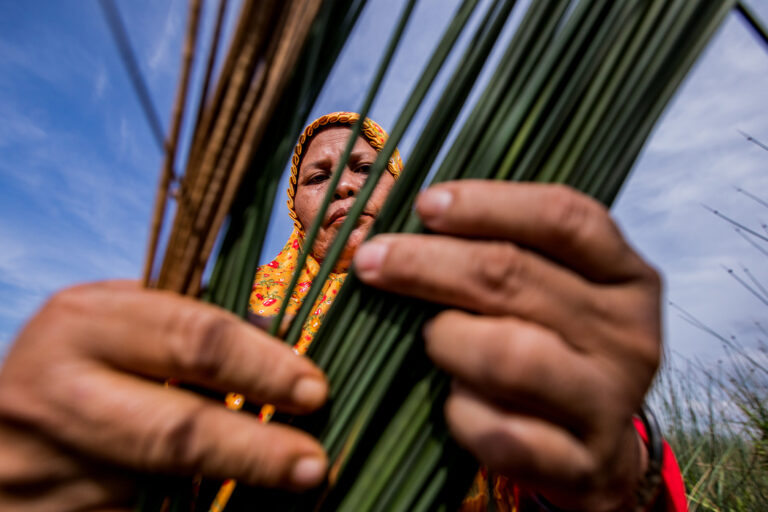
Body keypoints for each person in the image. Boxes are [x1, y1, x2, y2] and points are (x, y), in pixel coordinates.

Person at [0, 111, 686, 511]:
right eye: (319, 175)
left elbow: (595, 469)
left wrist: (625, 470)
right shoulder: (221, 323)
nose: (345, 186)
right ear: (293, 210)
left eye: (367, 167)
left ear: (404, 184)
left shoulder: (490, 304)